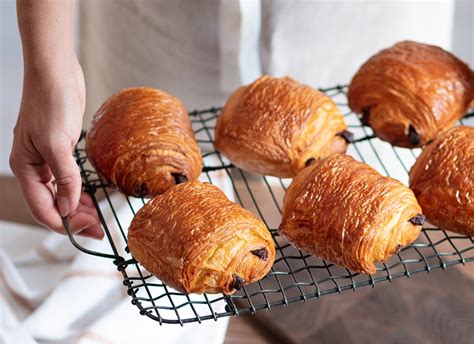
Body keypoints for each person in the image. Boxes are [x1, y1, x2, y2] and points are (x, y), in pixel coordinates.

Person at [10, 0, 471, 239]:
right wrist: (49, 71)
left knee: (382, 214)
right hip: (163, 36)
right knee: (133, 211)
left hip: (354, 31)